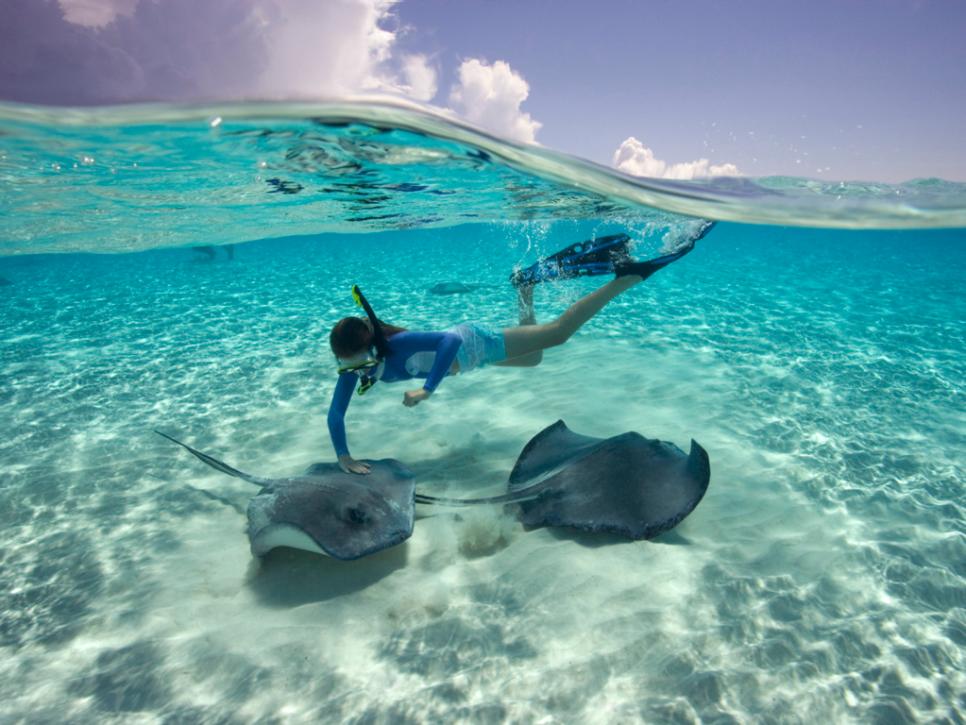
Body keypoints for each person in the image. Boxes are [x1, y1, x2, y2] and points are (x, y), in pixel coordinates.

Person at [328, 223, 714, 474]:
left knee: (559, 332)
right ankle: (525, 288)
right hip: (470, 361)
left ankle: (626, 278)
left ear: (368, 346)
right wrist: (344, 457)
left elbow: (449, 341)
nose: (350, 369)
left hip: (473, 343)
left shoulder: (397, 345)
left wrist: (428, 388)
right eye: (344, 364)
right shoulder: (357, 369)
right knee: (533, 359)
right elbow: (336, 413)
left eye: (352, 360)